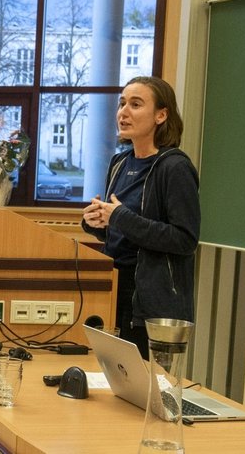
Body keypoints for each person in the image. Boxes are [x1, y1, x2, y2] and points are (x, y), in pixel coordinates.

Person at [81, 76, 200, 358]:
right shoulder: (119, 162)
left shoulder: (175, 167)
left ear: (161, 115)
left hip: (153, 303)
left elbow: (184, 239)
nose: (123, 112)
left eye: (136, 104)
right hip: (113, 290)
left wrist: (120, 217)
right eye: (122, 103)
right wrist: (97, 223)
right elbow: (124, 232)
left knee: (147, 392)